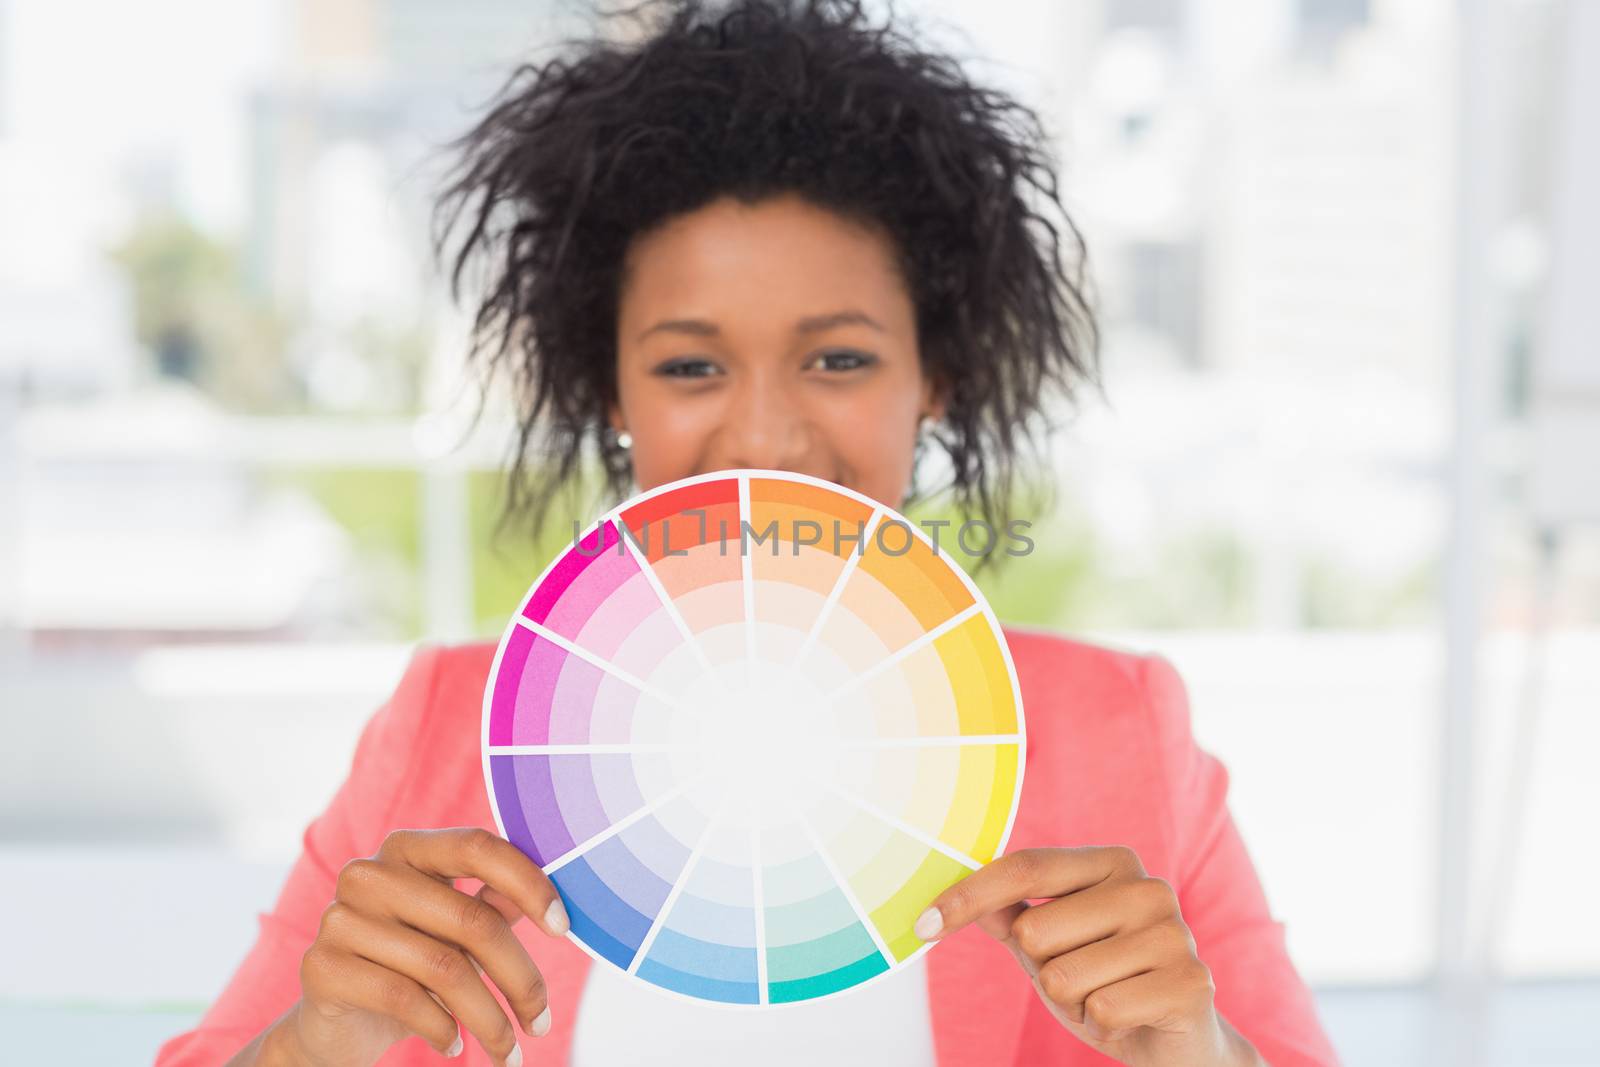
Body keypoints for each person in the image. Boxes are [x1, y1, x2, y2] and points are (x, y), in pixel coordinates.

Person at [158, 1, 1339, 1064]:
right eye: (689, 364)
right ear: (610, 391)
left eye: (839, 357)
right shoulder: (446, 732)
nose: (767, 434)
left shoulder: (1119, 732)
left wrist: (1202, 1053)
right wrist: (312, 1049)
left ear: (935, 377)